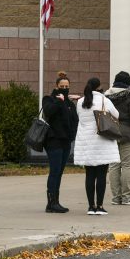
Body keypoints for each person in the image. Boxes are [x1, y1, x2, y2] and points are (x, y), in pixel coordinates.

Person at [73, 77, 120, 215]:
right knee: (101, 175)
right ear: (99, 87)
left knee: (89, 175)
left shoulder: (81, 102)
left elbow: (80, 118)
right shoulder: (105, 100)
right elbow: (116, 115)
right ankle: (99, 206)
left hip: (86, 143)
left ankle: (90, 207)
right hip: (102, 141)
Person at [42, 71, 79, 213]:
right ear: (57, 86)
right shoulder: (49, 99)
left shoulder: (70, 103)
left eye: (67, 86)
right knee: (55, 171)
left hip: (66, 141)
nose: (64, 88)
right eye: (62, 86)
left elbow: (74, 119)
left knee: (60, 172)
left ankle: (56, 201)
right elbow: (49, 111)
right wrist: (59, 100)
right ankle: (51, 203)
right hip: (54, 141)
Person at [104, 71, 130, 205]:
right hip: (128, 134)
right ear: (128, 83)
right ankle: (126, 197)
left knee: (114, 165)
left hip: (111, 133)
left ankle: (116, 198)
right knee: (127, 165)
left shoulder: (107, 96)